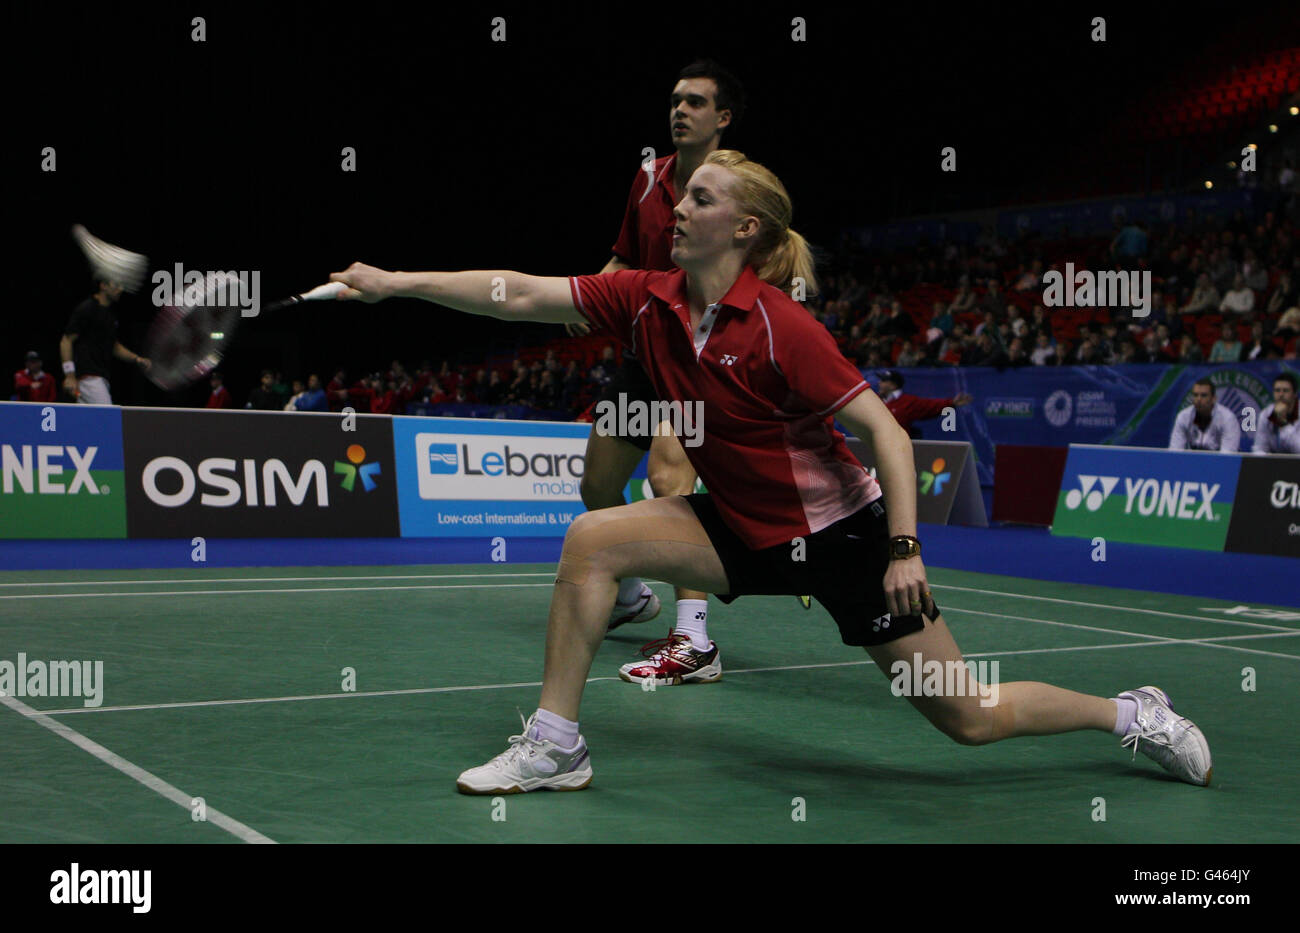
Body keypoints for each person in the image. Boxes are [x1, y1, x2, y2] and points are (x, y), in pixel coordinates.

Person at [330, 149, 1213, 793]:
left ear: (743, 228)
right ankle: (558, 743)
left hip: (844, 540)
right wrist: (395, 280)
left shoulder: (784, 329)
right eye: (682, 193)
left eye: (700, 198)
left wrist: (903, 547)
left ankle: (1130, 711)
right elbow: (520, 292)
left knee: (967, 716)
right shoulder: (648, 298)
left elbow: (886, 436)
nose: (677, 206)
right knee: (592, 539)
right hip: (742, 528)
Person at [563, 59, 750, 682]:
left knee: (670, 482)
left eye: (695, 102)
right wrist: (588, 294)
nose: (679, 110)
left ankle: (695, 640)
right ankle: (632, 596)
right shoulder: (647, 177)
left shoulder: (739, 185)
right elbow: (624, 255)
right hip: (643, 355)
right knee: (596, 490)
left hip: (699, 356)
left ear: (722, 117)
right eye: (674, 100)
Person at [60, 278, 151, 404]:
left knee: (90, 423)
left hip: (100, 379)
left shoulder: (110, 314)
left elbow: (114, 346)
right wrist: (69, 376)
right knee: (109, 419)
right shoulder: (87, 308)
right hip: (89, 379)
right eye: (117, 285)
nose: (121, 289)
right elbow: (66, 341)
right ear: (103, 286)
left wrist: (136, 358)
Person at [876, 370, 972, 437]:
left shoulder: (907, 401)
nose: (879, 383)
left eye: (883, 381)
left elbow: (930, 406)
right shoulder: (876, 400)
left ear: (893, 385)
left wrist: (951, 402)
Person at [1168, 378, 1241, 452]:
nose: (1199, 399)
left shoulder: (1227, 419)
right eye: (1195, 395)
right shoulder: (1183, 417)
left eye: (1203, 395)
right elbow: (1175, 451)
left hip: (1219, 462)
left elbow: (1227, 457)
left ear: (1214, 398)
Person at [1253, 371, 1299, 454]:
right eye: (1277, 390)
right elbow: (1259, 448)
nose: (1281, 394)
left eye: (1285, 391)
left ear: (1295, 394)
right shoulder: (1266, 414)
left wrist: (1283, 423)